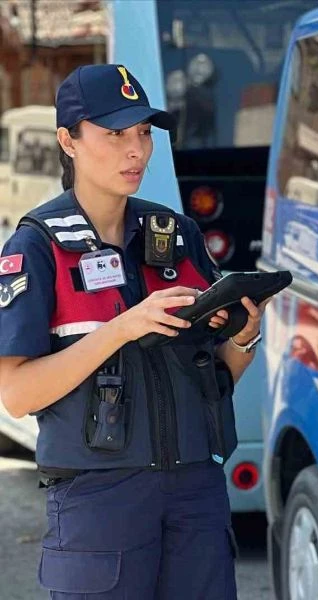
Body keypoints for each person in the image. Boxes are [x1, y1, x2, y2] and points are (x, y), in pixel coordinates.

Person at [0, 64, 267, 599]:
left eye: (144, 133)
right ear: (67, 141)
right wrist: (123, 327)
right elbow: (16, 394)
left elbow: (212, 380)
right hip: (99, 502)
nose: (137, 151)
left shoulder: (176, 234)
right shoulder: (35, 247)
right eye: (116, 134)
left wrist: (242, 335)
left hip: (196, 493)